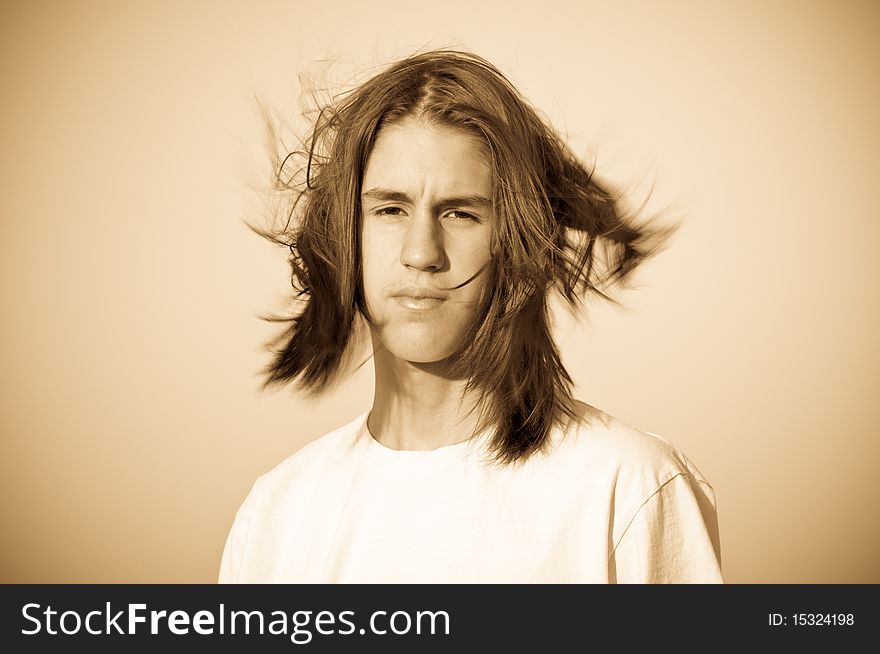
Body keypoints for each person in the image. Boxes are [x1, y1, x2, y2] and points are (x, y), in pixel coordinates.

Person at [219, 50, 723, 583]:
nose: (422, 252)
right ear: (346, 236)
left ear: (519, 240)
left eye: (461, 213)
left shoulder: (627, 486)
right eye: (390, 209)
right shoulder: (277, 514)